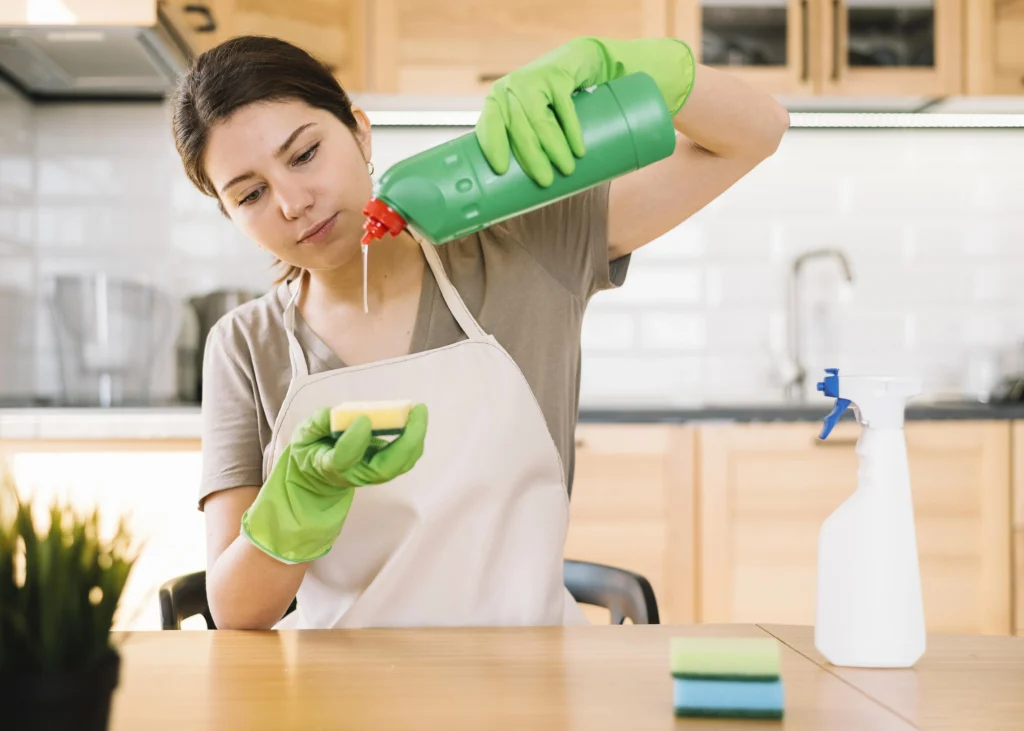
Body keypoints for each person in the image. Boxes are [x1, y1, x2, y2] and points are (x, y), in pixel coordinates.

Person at [172, 34, 789, 630]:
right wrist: (294, 507)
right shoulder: (245, 345)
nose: (291, 202)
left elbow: (756, 133)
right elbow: (236, 613)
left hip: (532, 682)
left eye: (305, 154)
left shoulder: (526, 248)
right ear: (230, 215)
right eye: (250, 194)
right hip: (341, 692)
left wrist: (626, 63)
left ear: (360, 131)